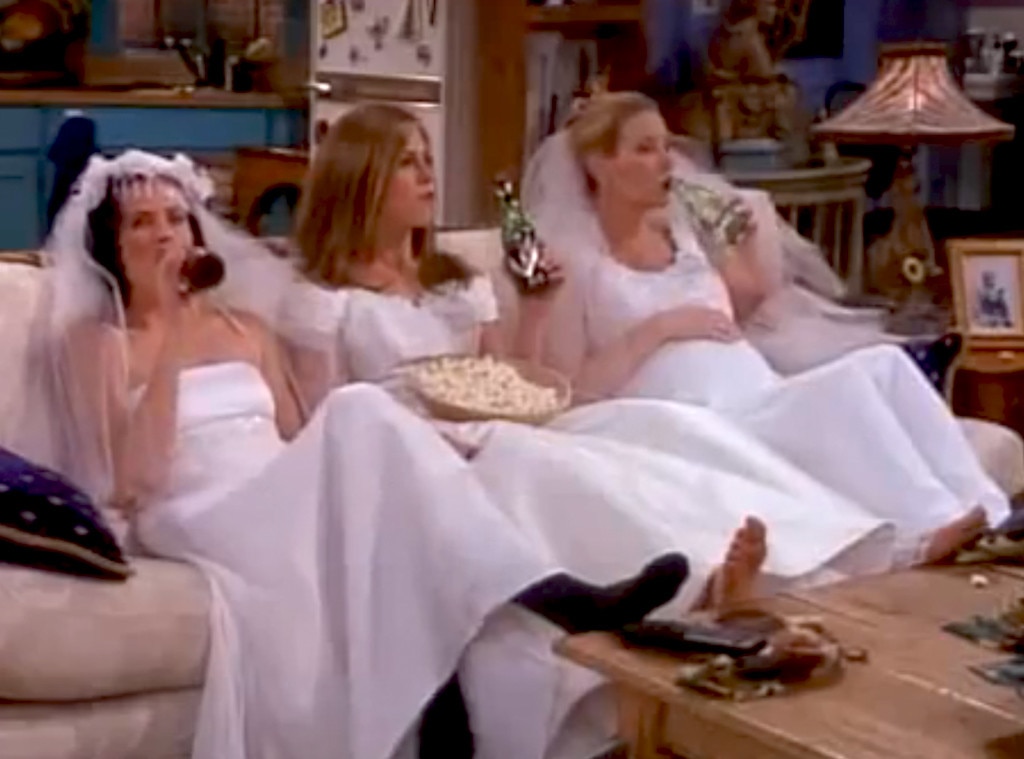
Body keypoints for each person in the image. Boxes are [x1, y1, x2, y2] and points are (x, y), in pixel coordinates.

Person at [23, 150, 726, 759]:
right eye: (140, 223)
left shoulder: (244, 327)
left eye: (174, 219)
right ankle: (555, 596)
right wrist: (171, 331)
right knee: (360, 409)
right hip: (196, 511)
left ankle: (462, 710)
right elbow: (133, 479)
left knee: (385, 478)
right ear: (112, 245)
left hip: (276, 487)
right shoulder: (97, 342)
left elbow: (301, 439)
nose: (163, 235)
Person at [289, 102, 905, 620]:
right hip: (413, 457)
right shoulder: (326, 301)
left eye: (428, 159)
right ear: (362, 179)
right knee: (542, 464)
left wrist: (534, 310)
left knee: (647, 431)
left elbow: (510, 381)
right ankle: (658, 591)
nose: (428, 175)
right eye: (407, 163)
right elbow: (327, 427)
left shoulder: (453, 281)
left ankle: (783, 557)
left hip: (488, 426)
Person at [521, 91, 1011, 566]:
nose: (665, 162)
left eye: (666, 146)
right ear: (599, 165)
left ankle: (989, 511)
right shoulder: (576, 261)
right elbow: (573, 388)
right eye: (644, 149)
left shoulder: (681, 233)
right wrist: (660, 329)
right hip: (702, 413)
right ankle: (923, 528)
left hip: (754, 386)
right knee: (845, 393)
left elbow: (746, 301)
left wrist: (747, 243)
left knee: (886, 365)